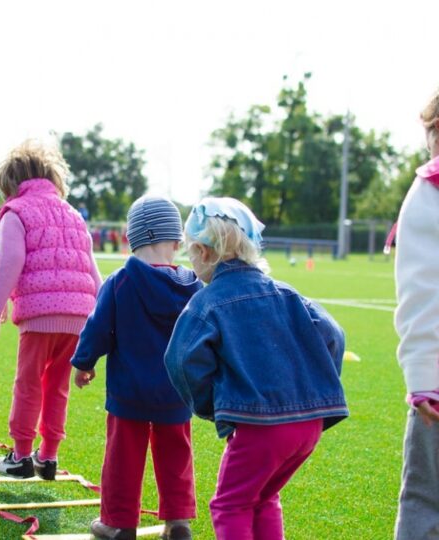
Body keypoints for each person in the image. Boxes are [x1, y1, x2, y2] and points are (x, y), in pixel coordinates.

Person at [164, 197, 348, 540]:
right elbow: (333, 335)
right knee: (264, 497)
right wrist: (316, 387)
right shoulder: (288, 293)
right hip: (309, 425)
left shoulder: (206, 302)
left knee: (230, 505)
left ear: (204, 252)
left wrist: (210, 406)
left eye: (191, 253)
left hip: (261, 426)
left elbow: (181, 360)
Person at [71, 196, 201, 540]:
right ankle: (177, 522)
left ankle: (119, 522)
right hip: (176, 392)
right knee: (176, 455)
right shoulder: (193, 285)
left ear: (130, 238)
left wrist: (84, 363)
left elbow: (97, 327)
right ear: (176, 241)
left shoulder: (120, 281)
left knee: (122, 458)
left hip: (129, 392)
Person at [0, 139, 102, 479]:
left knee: (28, 383)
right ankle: (48, 456)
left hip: (40, 314)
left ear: (10, 184)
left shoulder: (15, 212)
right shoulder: (73, 214)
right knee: (57, 386)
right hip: (79, 316)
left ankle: (19, 456)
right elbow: (92, 270)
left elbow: (9, 261)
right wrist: (103, 321)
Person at [393, 89, 439, 540]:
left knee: (425, 501)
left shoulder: (431, 188)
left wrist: (423, 374)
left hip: (438, 387)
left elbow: (422, 286)